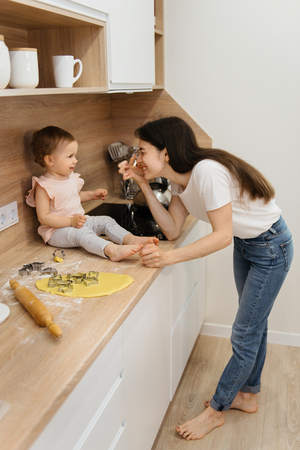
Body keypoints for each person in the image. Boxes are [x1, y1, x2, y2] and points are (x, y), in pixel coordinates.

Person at [118, 116, 294, 440]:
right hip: (249, 245)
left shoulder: (207, 172)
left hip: (271, 247)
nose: (137, 158)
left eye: (142, 151)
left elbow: (222, 235)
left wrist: (168, 257)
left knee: (244, 333)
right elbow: (172, 229)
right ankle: (248, 395)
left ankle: (217, 410)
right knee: (255, 326)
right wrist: (142, 184)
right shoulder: (179, 182)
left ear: (166, 152)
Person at [26, 126, 158, 261]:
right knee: (83, 234)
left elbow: (73, 197)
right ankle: (112, 250)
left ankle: (130, 239)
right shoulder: (44, 186)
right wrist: (70, 221)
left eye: (74, 155)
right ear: (50, 160)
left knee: (106, 221)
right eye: (70, 156)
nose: (75, 160)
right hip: (56, 232)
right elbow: (44, 217)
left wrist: (91, 194)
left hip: (77, 223)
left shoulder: (69, 177)